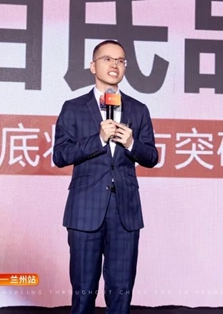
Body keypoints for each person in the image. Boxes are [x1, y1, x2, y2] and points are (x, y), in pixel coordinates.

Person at [53, 40, 159, 314]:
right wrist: (98, 139)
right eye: (108, 59)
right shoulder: (73, 107)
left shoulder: (138, 109)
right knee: (83, 292)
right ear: (93, 66)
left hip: (125, 212)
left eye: (120, 61)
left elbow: (151, 157)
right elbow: (60, 155)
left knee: (121, 292)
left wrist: (132, 144)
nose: (115, 65)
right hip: (85, 210)